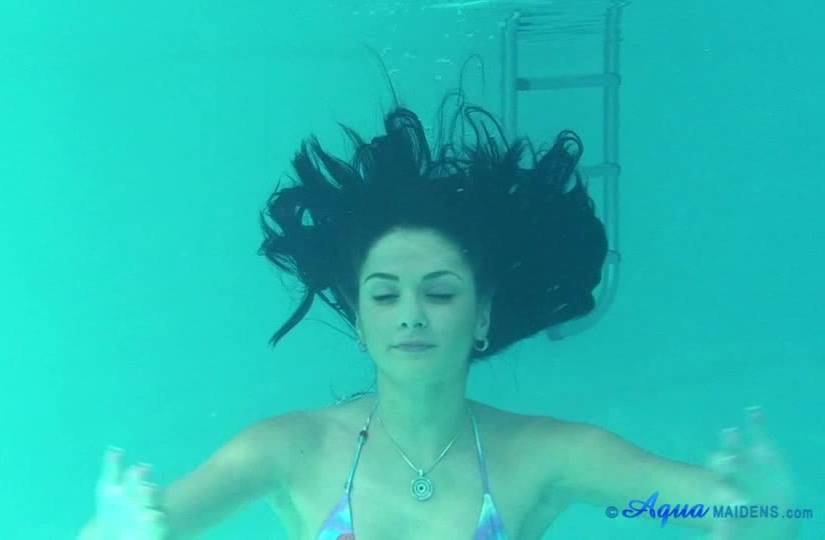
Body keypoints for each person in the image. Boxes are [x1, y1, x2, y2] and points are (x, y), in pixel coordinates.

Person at [77, 95, 797, 540]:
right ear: (359, 319)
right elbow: (150, 525)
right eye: (385, 295)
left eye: (441, 293)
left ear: (482, 316)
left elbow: (701, 508)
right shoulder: (288, 451)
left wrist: (764, 510)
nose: (411, 316)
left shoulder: (543, 455)